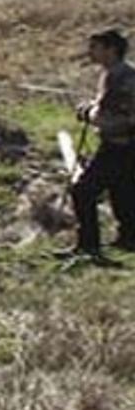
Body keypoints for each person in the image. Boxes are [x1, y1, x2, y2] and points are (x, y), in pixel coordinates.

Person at [64, 28, 135, 258]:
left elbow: (111, 116)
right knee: (121, 190)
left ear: (111, 50)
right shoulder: (118, 73)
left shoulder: (119, 77)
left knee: (83, 191)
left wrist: (87, 113)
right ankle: (128, 239)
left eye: (95, 47)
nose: (90, 52)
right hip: (123, 143)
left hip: (120, 143)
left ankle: (89, 244)